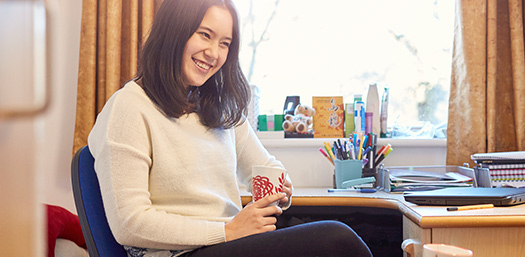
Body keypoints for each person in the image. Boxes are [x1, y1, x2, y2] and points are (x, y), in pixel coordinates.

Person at [87, 0, 373, 256]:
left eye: (225, 43)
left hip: (228, 242)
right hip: (177, 252)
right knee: (337, 240)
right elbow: (129, 223)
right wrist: (227, 231)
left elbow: (265, 166)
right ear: (173, 31)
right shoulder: (129, 107)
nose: (214, 53)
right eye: (205, 35)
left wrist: (281, 189)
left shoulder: (219, 108)